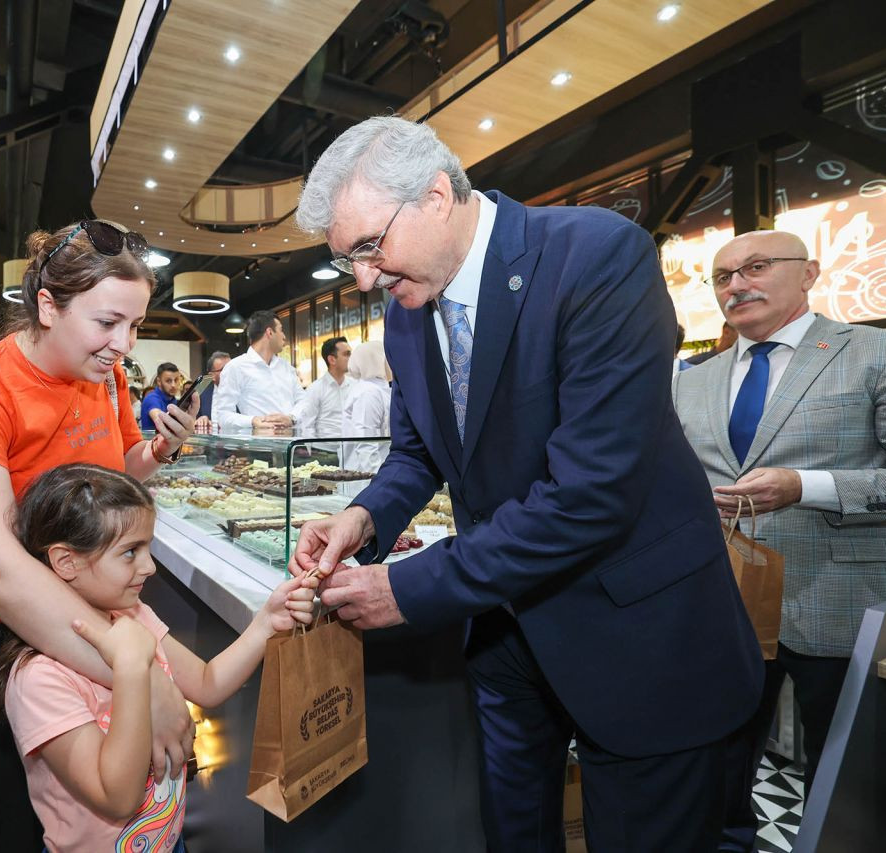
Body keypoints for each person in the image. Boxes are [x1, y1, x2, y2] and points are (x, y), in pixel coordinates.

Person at [290, 116, 763, 852]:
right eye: (346, 258)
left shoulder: (595, 256)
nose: (362, 277)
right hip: (508, 639)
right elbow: (419, 455)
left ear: (437, 196)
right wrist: (362, 518)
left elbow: (591, 492)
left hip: (639, 634)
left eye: (368, 246)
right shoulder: (407, 314)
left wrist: (405, 588)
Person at [0, 220, 198, 850]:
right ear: (47, 305)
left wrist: (156, 452)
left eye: (134, 325)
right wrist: (141, 674)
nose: (124, 344)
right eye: (107, 323)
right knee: (16, 822)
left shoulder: (105, 376)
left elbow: (115, 473)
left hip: (81, 613)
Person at [673, 230, 886, 852]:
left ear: (809, 272)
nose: (736, 285)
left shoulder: (876, 353)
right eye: (721, 277)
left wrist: (809, 486)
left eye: (757, 266)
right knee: (718, 768)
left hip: (842, 601)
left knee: (854, 787)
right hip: (724, 603)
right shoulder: (694, 380)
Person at [0, 463, 309, 853]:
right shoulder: (39, 678)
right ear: (65, 561)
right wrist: (131, 670)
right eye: (130, 553)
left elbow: (207, 683)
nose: (150, 567)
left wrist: (265, 624)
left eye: (148, 548)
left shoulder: (132, 615)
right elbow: (116, 797)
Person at [210, 310, 305, 432]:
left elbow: (304, 401)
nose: (284, 336)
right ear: (269, 332)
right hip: (259, 445)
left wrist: (291, 418)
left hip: (294, 444)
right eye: (281, 330)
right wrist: (253, 421)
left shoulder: (286, 367)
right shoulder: (236, 367)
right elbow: (223, 416)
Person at [340, 340, 390, 472]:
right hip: (364, 478)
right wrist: (378, 480)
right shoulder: (368, 393)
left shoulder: (379, 389)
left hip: (381, 472)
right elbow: (366, 445)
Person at [292, 336, 354, 437]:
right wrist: (313, 452)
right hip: (324, 450)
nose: (351, 358)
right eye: (347, 354)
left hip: (351, 450)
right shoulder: (315, 389)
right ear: (332, 360)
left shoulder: (355, 386)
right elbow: (307, 426)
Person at [138, 362, 182, 430]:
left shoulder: (173, 400)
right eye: (168, 381)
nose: (173, 385)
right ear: (159, 381)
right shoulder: (151, 399)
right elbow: (161, 422)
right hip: (152, 440)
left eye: (176, 380)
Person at [192, 351, 229, 431]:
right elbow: (190, 420)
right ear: (212, 376)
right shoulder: (201, 394)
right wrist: (199, 420)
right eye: (225, 369)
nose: (231, 372)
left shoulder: (243, 393)